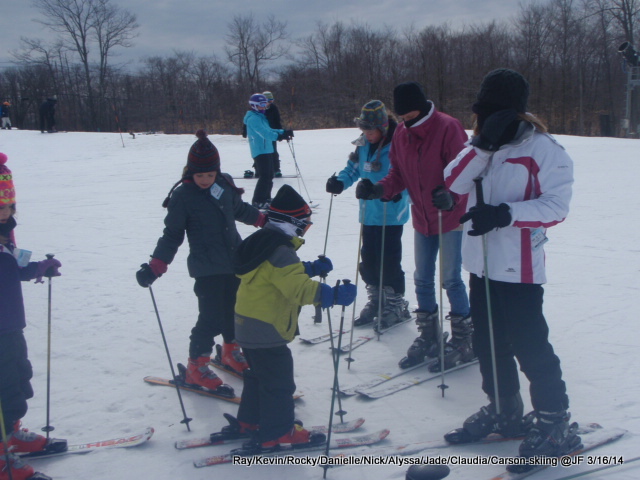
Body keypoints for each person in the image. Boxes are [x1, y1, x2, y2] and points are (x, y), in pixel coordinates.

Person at [442, 68, 579, 461]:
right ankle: (505, 410)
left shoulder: (545, 150)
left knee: (530, 345)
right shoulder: (481, 147)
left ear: (517, 113)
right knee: (488, 342)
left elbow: (557, 206)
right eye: (483, 112)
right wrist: (482, 145)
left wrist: (506, 214)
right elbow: (452, 184)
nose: (486, 118)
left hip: (519, 268)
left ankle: (555, 424)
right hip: (480, 264)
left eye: (495, 112)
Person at [355, 81, 472, 371]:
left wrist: (452, 194)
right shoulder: (403, 136)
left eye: (410, 117)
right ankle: (429, 335)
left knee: (450, 279)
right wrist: (379, 190)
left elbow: (465, 169)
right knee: (422, 278)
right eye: (402, 119)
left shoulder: (448, 127)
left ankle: (464, 338)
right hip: (422, 217)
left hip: (450, 216)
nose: (406, 123)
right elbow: (398, 173)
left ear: (421, 107)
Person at [136, 130, 266, 389]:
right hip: (206, 268)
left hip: (235, 261)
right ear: (190, 173)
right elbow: (172, 236)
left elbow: (239, 210)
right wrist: (156, 265)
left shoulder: (224, 184)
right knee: (211, 317)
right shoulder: (182, 196)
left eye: (210, 174)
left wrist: (264, 221)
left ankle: (230, 351)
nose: (205, 180)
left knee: (237, 310)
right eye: (200, 175)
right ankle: (196, 365)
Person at [232, 184, 357, 451]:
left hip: (248, 325)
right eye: (305, 225)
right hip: (267, 329)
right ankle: (278, 432)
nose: (305, 230)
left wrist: (309, 267)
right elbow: (297, 289)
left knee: (260, 377)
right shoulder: (281, 251)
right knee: (278, 383)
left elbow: (277, 275)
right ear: (293, 224)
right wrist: (333, 295)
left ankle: (252, 421)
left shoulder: (263, 243)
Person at [0, 152, 63, 480]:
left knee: (15, 380)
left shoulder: (5, 238)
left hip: (10, 326)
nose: (6, 212)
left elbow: (16, 268)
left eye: (9, 206)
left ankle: (10, 434)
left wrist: (41, 267)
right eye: (0, 207)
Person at [326, 100, 410, 330]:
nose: (366, 134)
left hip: (391, 212)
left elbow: (402, 175)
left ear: (382, 126)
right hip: (369, 213)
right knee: (369, 260)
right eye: (363, 129)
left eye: (370, 130)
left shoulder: (397, 143)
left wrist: (380, 190)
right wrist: (339, 182)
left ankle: (396, 304)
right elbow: (353, 169)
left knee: (389, 261)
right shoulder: (362, 144)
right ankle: (377, 300)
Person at [243, 93, 293, 208]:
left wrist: (283, 132)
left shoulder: (261, 117)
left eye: (265, 104)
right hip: (260, 150)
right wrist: (278, 137)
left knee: (269, 175)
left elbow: (269, 129)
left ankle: (266, 198)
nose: (264, 107)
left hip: (267, 149)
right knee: (265, 176)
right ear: (254, 105)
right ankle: (258, 201)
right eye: (261, 105)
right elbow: (264, 133)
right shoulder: (253, 119)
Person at [263, 91, 284, 178]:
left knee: (273, 151)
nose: (270, 103)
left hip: (272, 133)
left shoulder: (274, 108)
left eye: (272, 100)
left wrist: (280, 132)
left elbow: (277, 121)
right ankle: (259, 169)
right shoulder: (260, 109)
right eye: (269, 101)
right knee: (261, 152)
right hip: (262, 134)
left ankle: (276, 169)